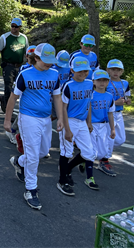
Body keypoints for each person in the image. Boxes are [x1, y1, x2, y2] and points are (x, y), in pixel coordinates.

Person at [5, 44, 62, 210]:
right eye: (46, 61)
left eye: (51, 61)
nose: (49, 64)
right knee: (33, 155)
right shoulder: (25, 75)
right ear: (36, 58)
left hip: (45, 119)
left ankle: (19, 161)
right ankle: (31, 189)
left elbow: (57, 98)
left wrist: (60, 119)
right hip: (28, 117)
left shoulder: (54, 74)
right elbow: (13, 97)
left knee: (43, 152)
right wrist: (8, 120)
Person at [56, 58, 97, 198]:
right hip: (70, 121)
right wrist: (67, 130)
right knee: (67, 151)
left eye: (86, 70)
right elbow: (63, 109)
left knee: (89, 153)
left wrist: (89, 122)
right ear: (72, 70)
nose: (83, 73)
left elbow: (89, 104)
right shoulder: (68, 85)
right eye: (79, 71)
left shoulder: (90, 84)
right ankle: (62, 180)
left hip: (82, 122)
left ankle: (66, 168)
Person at [0, 18, 28, 121]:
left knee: (19, 88)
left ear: (20, 27)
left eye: (16, 26)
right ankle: (8, 113)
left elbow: (27, 53)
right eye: (12, 26)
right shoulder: (5, 37)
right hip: (8, 65)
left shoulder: (24, 38)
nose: (13, 28)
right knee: (9, 88)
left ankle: (4, 100)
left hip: (19, 65)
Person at [88, 69, 117, 188]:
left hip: (103, 125)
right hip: (93, 125)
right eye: (99, 80)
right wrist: (88, 123)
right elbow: (87, 111)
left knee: (102, 152)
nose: (102, 83)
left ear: (108, 82)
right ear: (93, 82)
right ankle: (88, 173)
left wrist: (113, 129)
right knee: (92, 151)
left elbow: (110, 113)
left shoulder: (109, 96)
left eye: (105, 80)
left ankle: (84, 161)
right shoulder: (90, 95)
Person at [102, 59, 131, 177]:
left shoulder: (125, 83)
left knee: (121, 139)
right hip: (109, 113)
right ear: (107, 70)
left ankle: (102, 148)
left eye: (118, 70)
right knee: (111, 137)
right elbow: (102, 99)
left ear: (122, 71)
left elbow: (127, 96)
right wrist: (115, 102)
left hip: (119, 114)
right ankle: (104, 160)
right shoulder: (105, 82)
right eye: (113, 69)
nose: (115, 72)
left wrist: (128, 101)